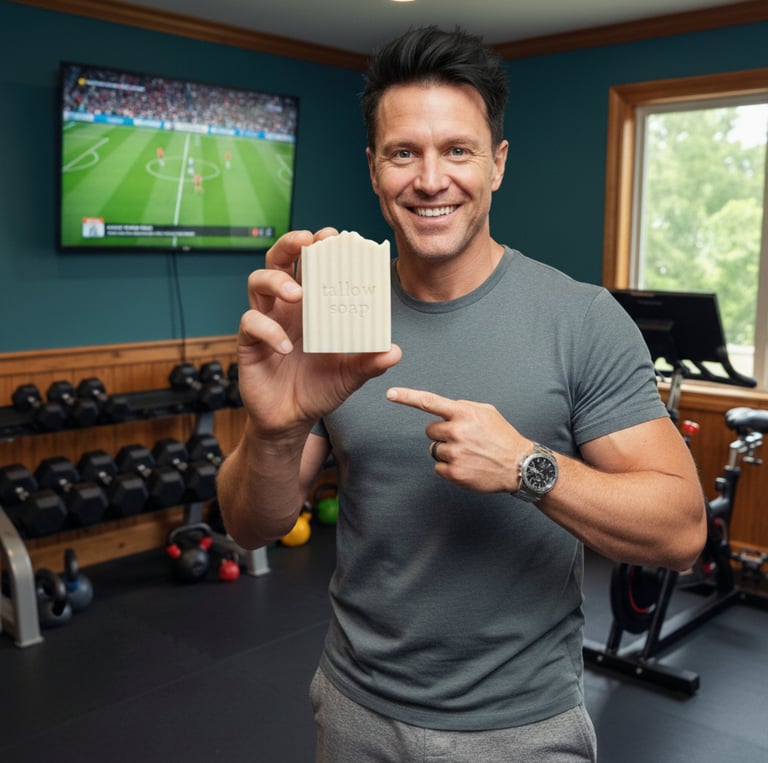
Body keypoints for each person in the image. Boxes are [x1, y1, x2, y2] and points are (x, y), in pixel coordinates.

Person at [217, 26, 706, 762]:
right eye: (404, 152)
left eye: (458, 150)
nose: (430, 178)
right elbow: (250, 526)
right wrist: (277, 429)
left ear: (497, 164)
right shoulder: (333, 318)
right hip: (354, 710)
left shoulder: (579, 318)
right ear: (375, 168)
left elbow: (681, 530)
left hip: (522, 728)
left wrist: (526, 467)